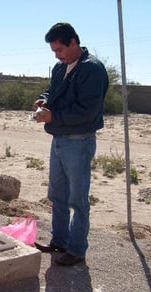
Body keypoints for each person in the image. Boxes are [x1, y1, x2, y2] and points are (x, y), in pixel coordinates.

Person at [33, 22, 109, 266]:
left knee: (77, 199)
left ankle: (76, 250)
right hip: (59, 140)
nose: (57, 55)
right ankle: (60, 241)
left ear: (73, 43)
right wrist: (43, 101)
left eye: (59, 49)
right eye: (54, 51)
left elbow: (87, 111)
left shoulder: (92, 70)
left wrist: (54, 116)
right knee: (58, 196)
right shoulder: (60, 68)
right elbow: (51, 92)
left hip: (79, 141)